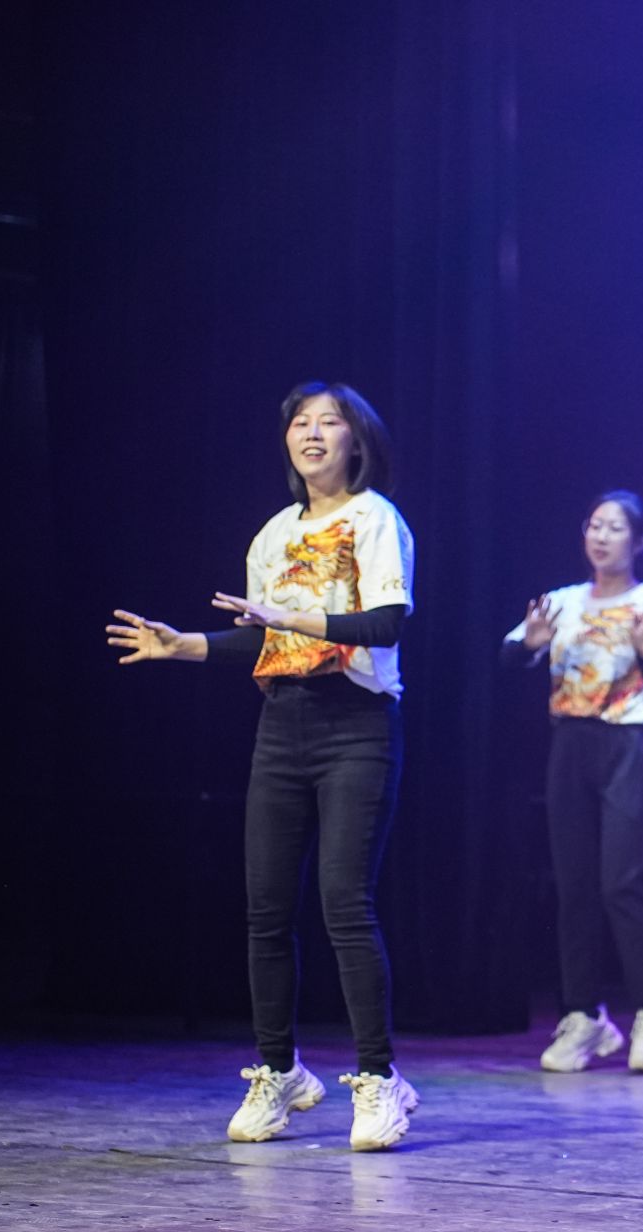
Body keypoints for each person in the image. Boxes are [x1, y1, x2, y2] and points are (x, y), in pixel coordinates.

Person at [107, 381, 419, 1151]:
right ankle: (278, 1070)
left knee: (345, 902)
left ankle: (379, 1078)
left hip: (356, 724)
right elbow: (262, 635)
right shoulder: (274, 534)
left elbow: (386, 621)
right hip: (283, 723)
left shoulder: (375, 518)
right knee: (267, 909)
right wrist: (184, 645)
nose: (312, 433)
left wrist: (292, 615)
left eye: (329, 421)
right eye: (299, 423)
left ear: (355, 439)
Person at [502, 490, 643, 1074]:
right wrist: (530, 645)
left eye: (615, 527)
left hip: (630, 743)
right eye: (594, 525)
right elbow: (510, 656)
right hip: (571, 743)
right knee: (575, 885)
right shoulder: (562, 603)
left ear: (639, 541)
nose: (602, 536)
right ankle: (583, 1016)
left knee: (623, 882)